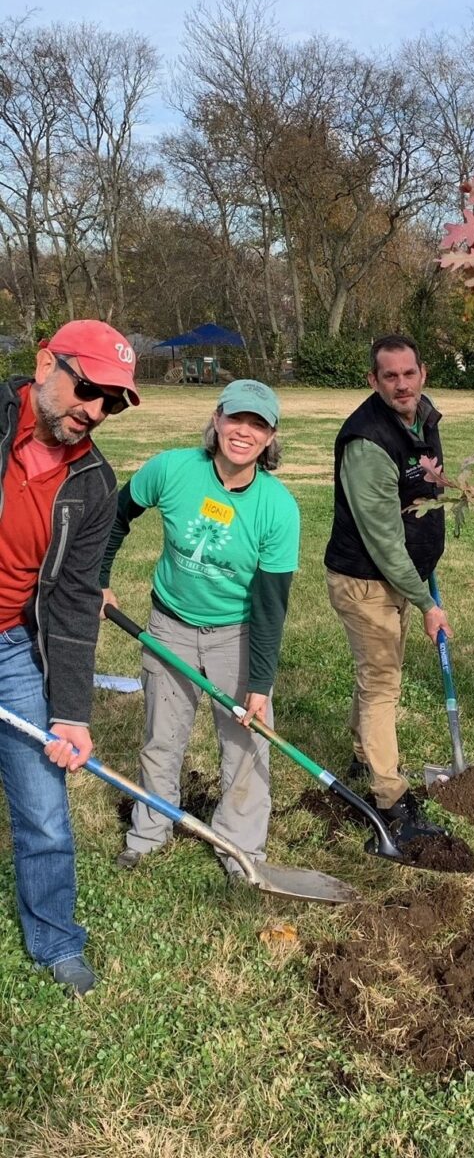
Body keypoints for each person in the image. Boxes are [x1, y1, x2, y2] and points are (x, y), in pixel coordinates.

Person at [101, 380, 299, 881]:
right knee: (161, 738)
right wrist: (99, 580)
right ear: (217, 419)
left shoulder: (277, 508)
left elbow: (271, 605)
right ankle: (150, 831)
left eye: (258, 425)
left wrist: (259, 683)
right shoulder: (172, 469)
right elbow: (115, 517)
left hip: (238, 634)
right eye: (237, 419)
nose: (244, 432)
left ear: (271, 436)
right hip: (169, 627)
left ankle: (241, 849)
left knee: (246, 743)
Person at [0, 319, 140, 995]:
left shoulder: (93, 482)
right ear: (44, 363)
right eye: (88, 389)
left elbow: (75, 602)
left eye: (111, 403)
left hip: (10, 648)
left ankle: (55, 939)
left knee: (44, 808)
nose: (94, 411)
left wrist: (73, 716)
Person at [324, 334, 453, 846]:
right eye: (390, 376)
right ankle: (390, 800)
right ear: (373, 381)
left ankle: (361, 758)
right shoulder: (366, 441)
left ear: (423, 372)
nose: (402, 384)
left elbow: (422, 491)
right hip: (366, 580)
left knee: (377, 675)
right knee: (382, 686)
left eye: (409, 373)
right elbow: (381, 538)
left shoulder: (424, 417)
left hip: (401, 574)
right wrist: (425, 601)